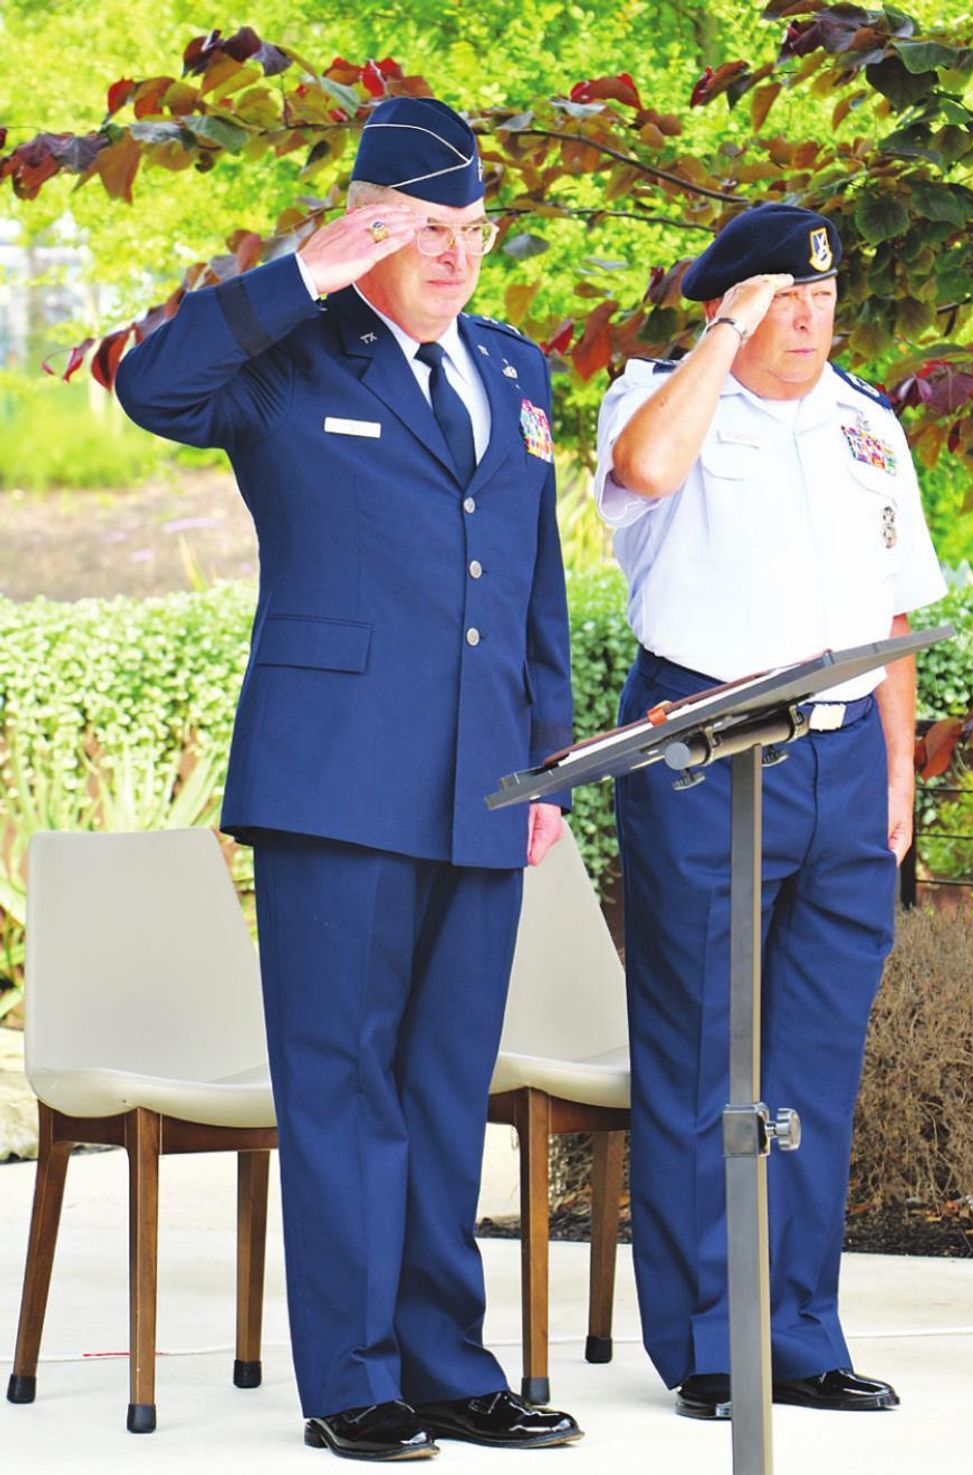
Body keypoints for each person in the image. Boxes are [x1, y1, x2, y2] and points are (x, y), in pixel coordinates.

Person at [117, 96, 582, 1461]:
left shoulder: (516, 370)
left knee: (447, 1086)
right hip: (333, 785)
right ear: (363, 231)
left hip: (482, 786)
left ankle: (448, 1363)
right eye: (419, 230)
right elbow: (155, 389)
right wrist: (305, 269)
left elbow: (533, 583)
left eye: (470, 229)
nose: (454, 255)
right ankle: (355, 1381)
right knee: (343, 1085)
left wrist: (545, 758)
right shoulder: (290, 354)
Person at [593, 203, 947, 1418]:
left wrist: (900, 771)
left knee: (811, 1062)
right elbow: (642, 474)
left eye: (823, 296)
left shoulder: (866, 426)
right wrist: (717, 343)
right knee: (701, 1051)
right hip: (703, 750)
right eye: (780, 297)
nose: (808, 317)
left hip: (846, 761)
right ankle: (708, 1342)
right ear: (730, 303)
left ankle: (799, 1328)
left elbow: (895, 611)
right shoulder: (659, 401)